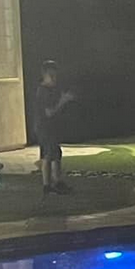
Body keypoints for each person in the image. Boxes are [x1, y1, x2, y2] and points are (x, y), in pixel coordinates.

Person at [33, 61, 76, 195]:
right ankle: (47, 185)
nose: (54, 79)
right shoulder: (43, 91)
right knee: (48, 154)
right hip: (44, 127)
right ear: (44, 75)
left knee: (56, 153)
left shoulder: (51, 90)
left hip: (51, 127)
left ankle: (57, 182)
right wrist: (63, 101)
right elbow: (49, 112)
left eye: (55, 76)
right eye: (50, 76)